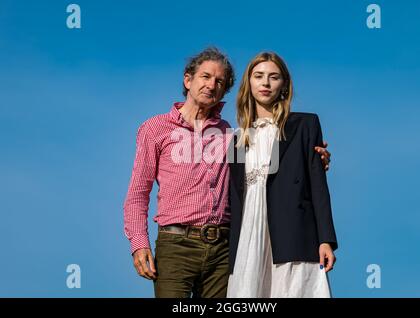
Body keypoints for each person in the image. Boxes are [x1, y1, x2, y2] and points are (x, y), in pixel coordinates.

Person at [123, 47, 332, 298]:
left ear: (226, 90)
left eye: (220, 81)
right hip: (176, 245)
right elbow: (138, 194)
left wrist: (314, 157)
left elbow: (269, 167)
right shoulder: (155, 129)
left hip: (223, 249)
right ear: (188, 80)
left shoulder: (231, 136)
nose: (212, 85)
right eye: (205, 76)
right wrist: (139, 243)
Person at [227, 52, 338, 298]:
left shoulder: (305, 125)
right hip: (247, 236)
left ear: (284, 85)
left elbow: (318, 186)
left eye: (273, 77)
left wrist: (326, 239)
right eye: (259, 76)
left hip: (294, 234)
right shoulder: (235, 140)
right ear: (249, 83)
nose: (265, 83)